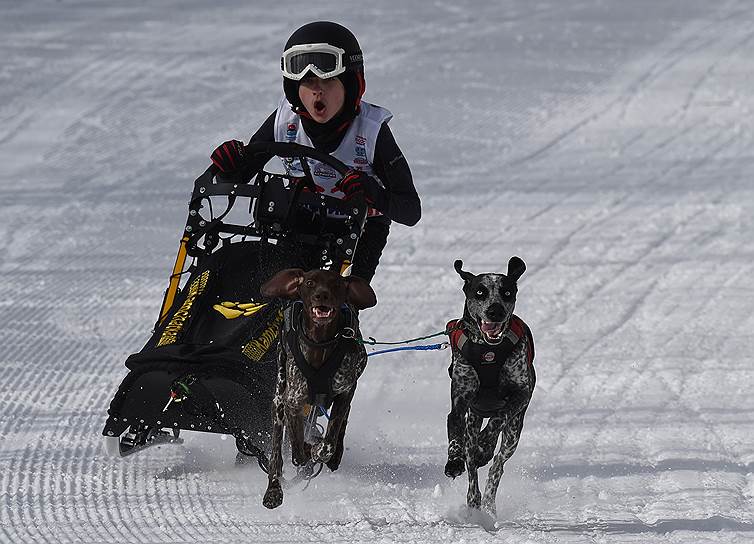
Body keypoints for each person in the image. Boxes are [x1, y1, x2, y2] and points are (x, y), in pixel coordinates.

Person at [209, 21, 421, 283]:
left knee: (345, 302)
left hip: (361, 229)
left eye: (328, 79)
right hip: (304, 220)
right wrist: (230, 164)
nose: (317, 90)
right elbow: (234, 179)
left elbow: (410, 211)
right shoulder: (285, 120)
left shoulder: (372, 130)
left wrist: (369, 190)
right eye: (308, 81)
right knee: (282, 290)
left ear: (352, 85)